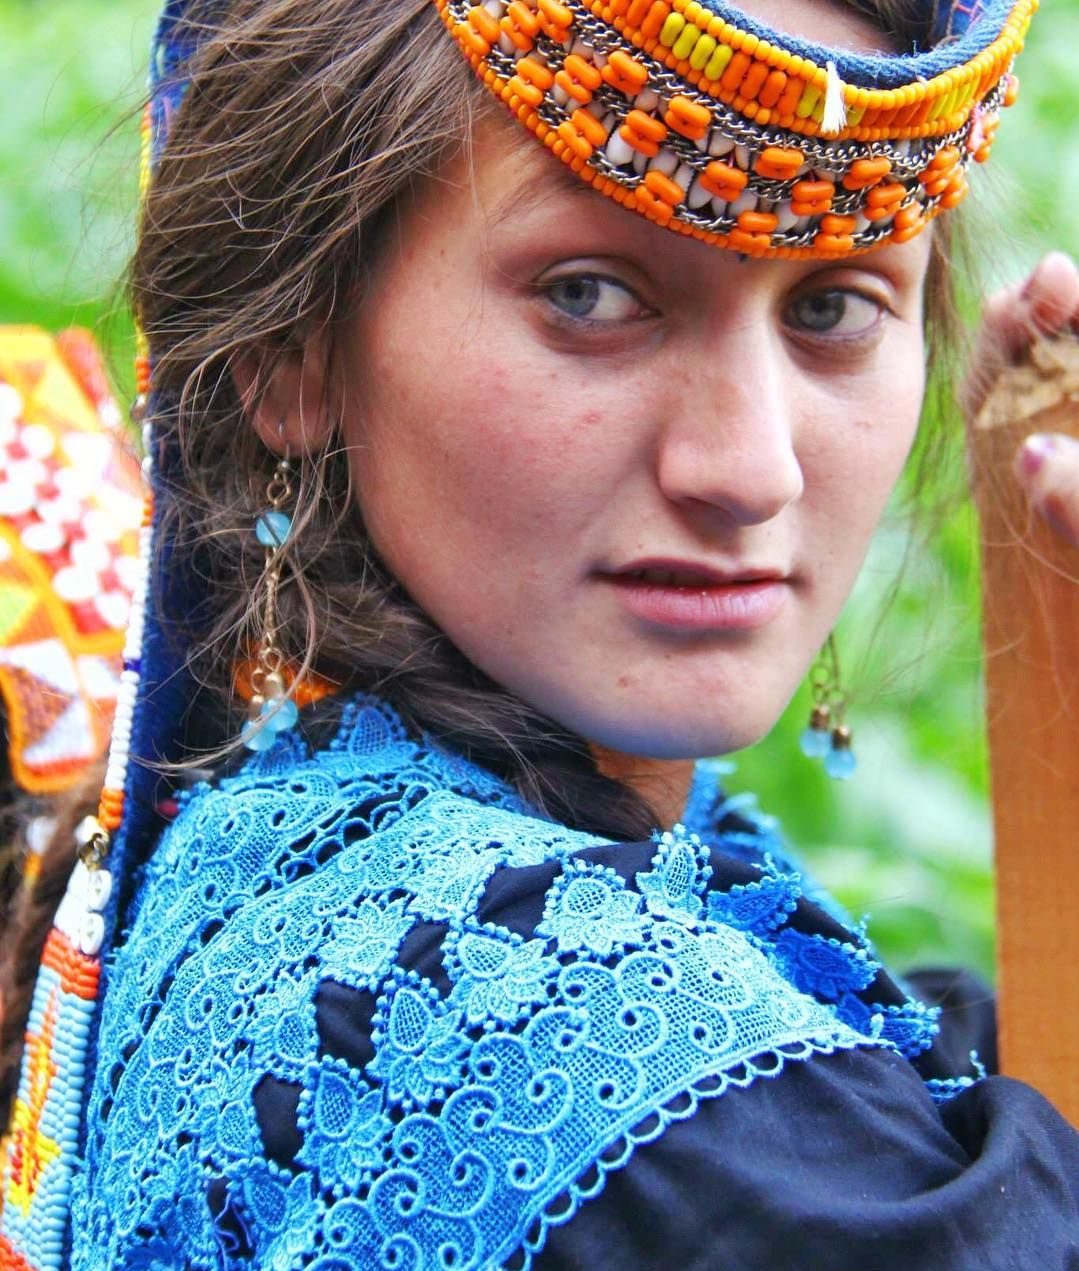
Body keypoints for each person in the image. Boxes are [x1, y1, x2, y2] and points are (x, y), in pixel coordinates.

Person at [1, 0, 1078, 1267]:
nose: (748, 469)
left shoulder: (298, 838)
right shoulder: (534, 1018)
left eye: (833, 310)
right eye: (588, 292)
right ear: (288, 353)